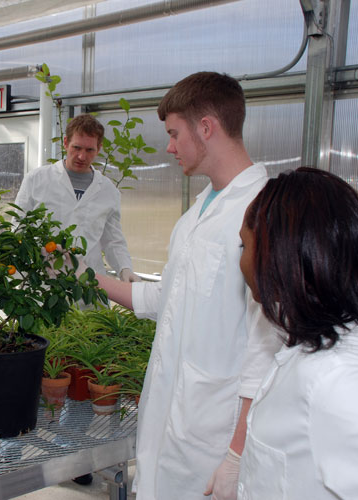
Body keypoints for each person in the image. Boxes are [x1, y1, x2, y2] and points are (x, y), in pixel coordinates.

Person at [94, 72, 282, 499]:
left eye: (175, 134)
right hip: (171, 420)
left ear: (207, 127)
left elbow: (266, 347)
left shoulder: (262, 212)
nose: (169, 146)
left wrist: (237, 454)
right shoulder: (197, 211)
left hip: (213, 437)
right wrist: (85, 277)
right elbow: (166, 298)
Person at [237, 167, 358, 499]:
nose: (242, 261)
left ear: (275, 255)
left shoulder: (337, 383)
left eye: (243, 246)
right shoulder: (307, 346)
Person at [14, 113, 140, 283]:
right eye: (77, 148)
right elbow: (18, 227)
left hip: (89, 284)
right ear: (66, 143)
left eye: (89, 150)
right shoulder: (36, 180)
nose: (82, 156)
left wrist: (125, 269)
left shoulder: (108, 191)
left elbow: (113, 240)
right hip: (45, 282)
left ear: (99, 149)